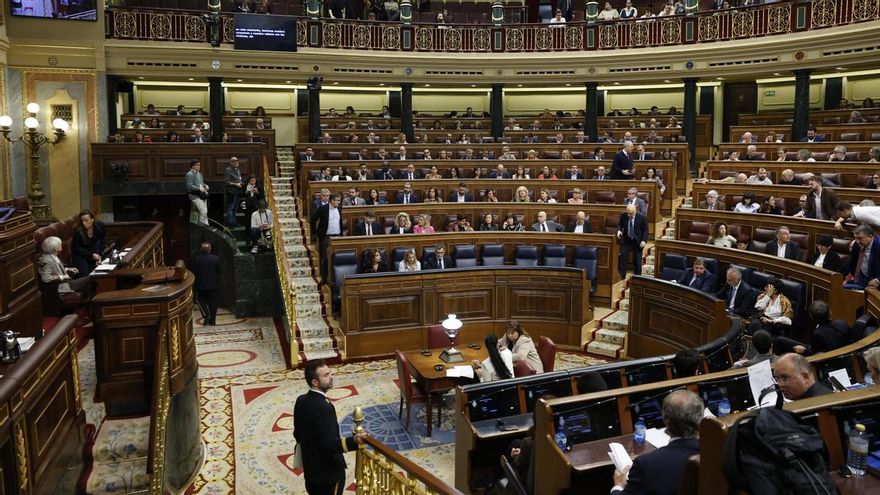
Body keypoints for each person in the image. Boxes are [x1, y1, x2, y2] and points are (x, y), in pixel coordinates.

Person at [294, 359, 367, 495]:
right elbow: (329, 445)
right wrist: (354, 441)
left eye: (330, 373)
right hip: (328, 476)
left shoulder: (300, 400)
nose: (331, 377)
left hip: (310, 473)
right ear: (315, 382)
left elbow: (297, 434)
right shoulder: (324, 407)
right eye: (326, 375)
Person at [610, 390, 702, 495]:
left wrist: (618, 486)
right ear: (700, 419)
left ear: (665, 420)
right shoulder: (716, 452)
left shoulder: (646, 464)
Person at [776, 300, 850, 356]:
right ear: (830, 312)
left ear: (812, 318)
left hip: (829, 359)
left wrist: (804, 351)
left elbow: (817, 355)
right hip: (843, 354)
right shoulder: (842, 323)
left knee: (779, 340)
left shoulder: (818, 334)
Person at [312, 193, 343, 286]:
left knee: (336, 258)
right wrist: (315, 233)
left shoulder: (339, 208)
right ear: (332, 200)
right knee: (325, 258)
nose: (339, 202)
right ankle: (324, 278)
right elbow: (313, 219)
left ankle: (335, 278)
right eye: (337, 200)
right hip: (326, 237)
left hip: (337, 236)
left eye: (339, 200)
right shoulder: (323, 208)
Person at [71, 209, 106, 277]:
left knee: (99, 272)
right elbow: (77, 248)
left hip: (93, 251)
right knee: (85, 276)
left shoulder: (100, 226)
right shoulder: (77, 230)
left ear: (92, 219)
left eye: (86, 220)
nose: (84, 223)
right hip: (81, 254)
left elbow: (102, 242)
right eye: (82, 221)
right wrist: (91, 255)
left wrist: (99, 256)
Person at [617, 204, 648, 280]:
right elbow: (620, 225)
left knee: (637, 259)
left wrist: (643, 240)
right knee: (623, 257)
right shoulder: (623, 216)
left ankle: (637, 276)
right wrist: (619, 231)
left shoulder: (642, 217)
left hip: (637, 240)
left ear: (635, 211)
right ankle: (622, 275)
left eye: (630, 213)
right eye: (627, 213)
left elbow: (645, 230)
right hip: (626, 239)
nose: (628, 215)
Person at [845, 224, 880, 289]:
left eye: (860, 238)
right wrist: (849, 274)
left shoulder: (878, 245)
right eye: (855, 238)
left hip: (875, 284)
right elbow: (853, 261)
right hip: (861, 280)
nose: (857, 241)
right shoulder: (857, 243)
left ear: (870, 236)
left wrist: (878, 280)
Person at [192, 242, 220, 325]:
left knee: (201, 301)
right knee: (213, 302)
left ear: (201, 250)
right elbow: (219, 271)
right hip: (213, 284)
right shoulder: (216, 259)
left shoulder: (197, 259)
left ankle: (207, 315)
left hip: (201, 285)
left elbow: (194, 272)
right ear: (210, 249)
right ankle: (213, 320)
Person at [186, 159, 209, 224]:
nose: (199, 166)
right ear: (192, 166)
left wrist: (206, 185)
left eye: (199, 165)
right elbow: (189, 186)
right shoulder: (189, 174)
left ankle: (206, 226)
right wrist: (199, 189)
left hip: (201, 195)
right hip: (194, 195)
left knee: (205, 212)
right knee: (203, 212)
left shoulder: (199, 173)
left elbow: (201, 183)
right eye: (197, 165)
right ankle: (201, 226)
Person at [224, 157, 243, 227]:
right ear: (231, 162)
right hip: (231, 191)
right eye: (234, 161)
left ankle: (234, 222)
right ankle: (230, 223)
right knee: (231, 208)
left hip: (238, 191)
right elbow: (226, 182)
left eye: (237, 160)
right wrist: (236, 184)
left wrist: (241, 183)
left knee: (235, 208)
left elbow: (239, 179)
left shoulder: (238, 170)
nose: (236, 162)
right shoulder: (228, 170)